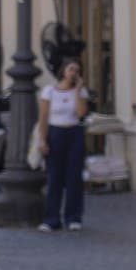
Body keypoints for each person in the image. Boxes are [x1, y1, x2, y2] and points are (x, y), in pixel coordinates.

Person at [36, 58, 90, 232]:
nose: (74, 73)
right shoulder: (49, 91)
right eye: (71, 69)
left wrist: (77, 90)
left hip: (74, 133)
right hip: (55, 133)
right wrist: (42, 140)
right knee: (54, 178)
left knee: (74, 177)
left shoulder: (81, 92)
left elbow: (81, 113)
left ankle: (73, 217)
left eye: (77, 70)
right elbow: (43, 118)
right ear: (63, 71)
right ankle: (52, 218)